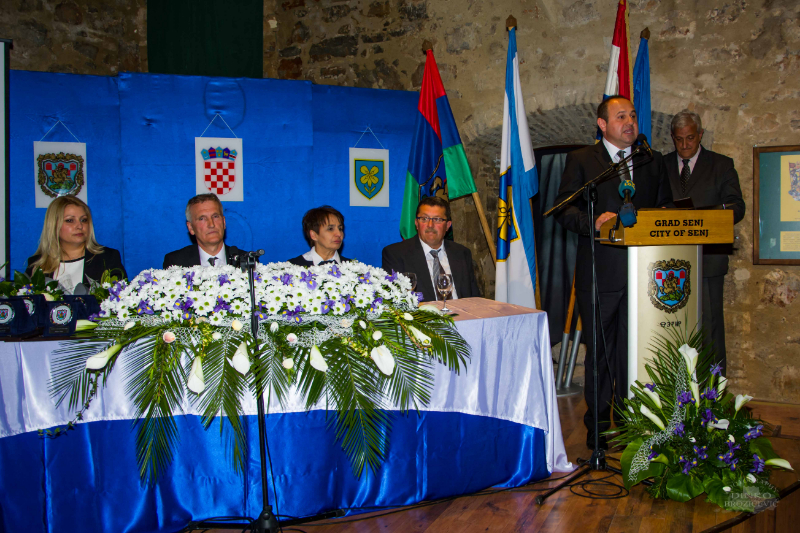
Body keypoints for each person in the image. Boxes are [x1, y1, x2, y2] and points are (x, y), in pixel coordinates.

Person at [554, 95, 673, 450]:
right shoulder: (582, 160)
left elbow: (665, 208)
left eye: (632, 115)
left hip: (645, 275)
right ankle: (599, 429)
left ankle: (634, 425)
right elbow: (563, 209)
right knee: (602, 356)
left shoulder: (651, 159)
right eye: (621, 116)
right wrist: (593, 222)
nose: (630, 122)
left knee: (635, 353)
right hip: (601, 273)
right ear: (602, 125)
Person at [666, 110, 745, 376]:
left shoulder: (721, 165)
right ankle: (676, 389)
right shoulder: (661, 165)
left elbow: (737, 207)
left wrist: (706, 217)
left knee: (709, 328)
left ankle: (713, 389)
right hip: (670, 263)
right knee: (674, 327)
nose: (685, 145)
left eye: (690, 138)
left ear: (700, 135)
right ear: (673, 138)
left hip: (708, 260)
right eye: (679, 139)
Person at [382, 196, 481, 302]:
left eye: (437, 219)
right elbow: (395, 302)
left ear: (447, 225)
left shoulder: (462, 253)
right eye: (424, 219)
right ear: (416, 223)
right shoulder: (395, 254)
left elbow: (475, 299)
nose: (430, 225)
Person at [26, 196, 126, 293]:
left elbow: (120, 297)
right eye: (70, 220)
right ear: (54, 225)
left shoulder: (107, 258)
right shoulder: (37, 265)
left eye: (84, 220)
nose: (80, 226)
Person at [163, 194, 245, 268]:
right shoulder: (176, 263)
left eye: (215, 216)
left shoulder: (246, 260)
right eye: (202, 218)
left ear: (224, 222)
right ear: (191, 227)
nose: (211, 224)